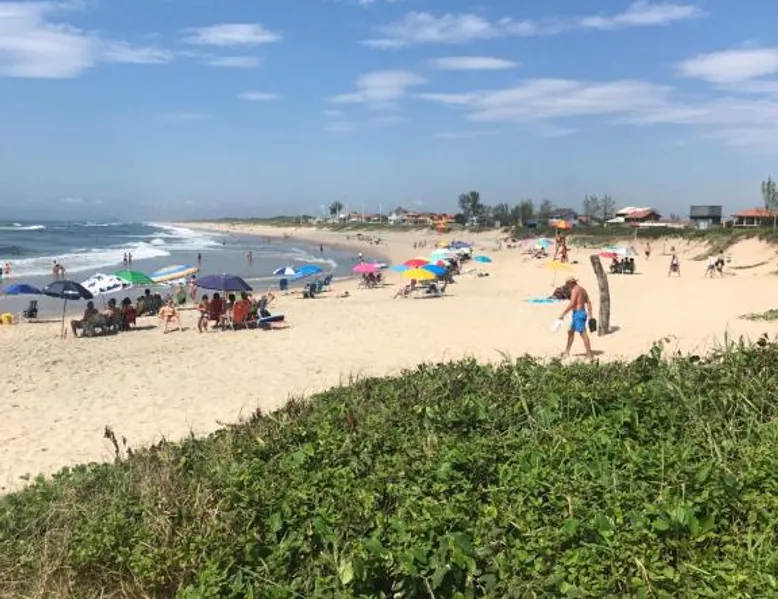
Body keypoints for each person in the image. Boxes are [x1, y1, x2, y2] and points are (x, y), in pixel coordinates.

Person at [558, 277, 594, 360]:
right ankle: (567, 352)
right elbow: (589, 303)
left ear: (571, 283)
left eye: (567, 284)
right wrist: (590, 316)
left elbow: (572, 303)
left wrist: (563, 314)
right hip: (581, 313)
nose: (567, 286)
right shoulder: (583, 290)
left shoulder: (575, 290)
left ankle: (589, 355)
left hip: (578, 314)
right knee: (570, 331)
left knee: (583, 334)